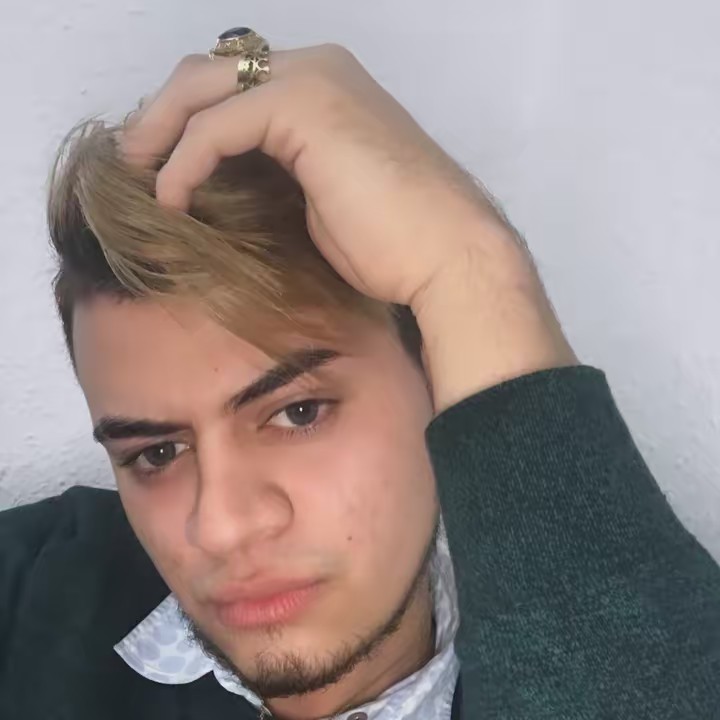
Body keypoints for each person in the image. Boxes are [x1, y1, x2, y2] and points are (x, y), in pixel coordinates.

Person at [1, 29, 719, 720]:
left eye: (298, 412)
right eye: (157, 453)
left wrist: (472, 271)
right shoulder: (31, 594)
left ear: (434, 372)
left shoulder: (602, 626)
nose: (220, 526)